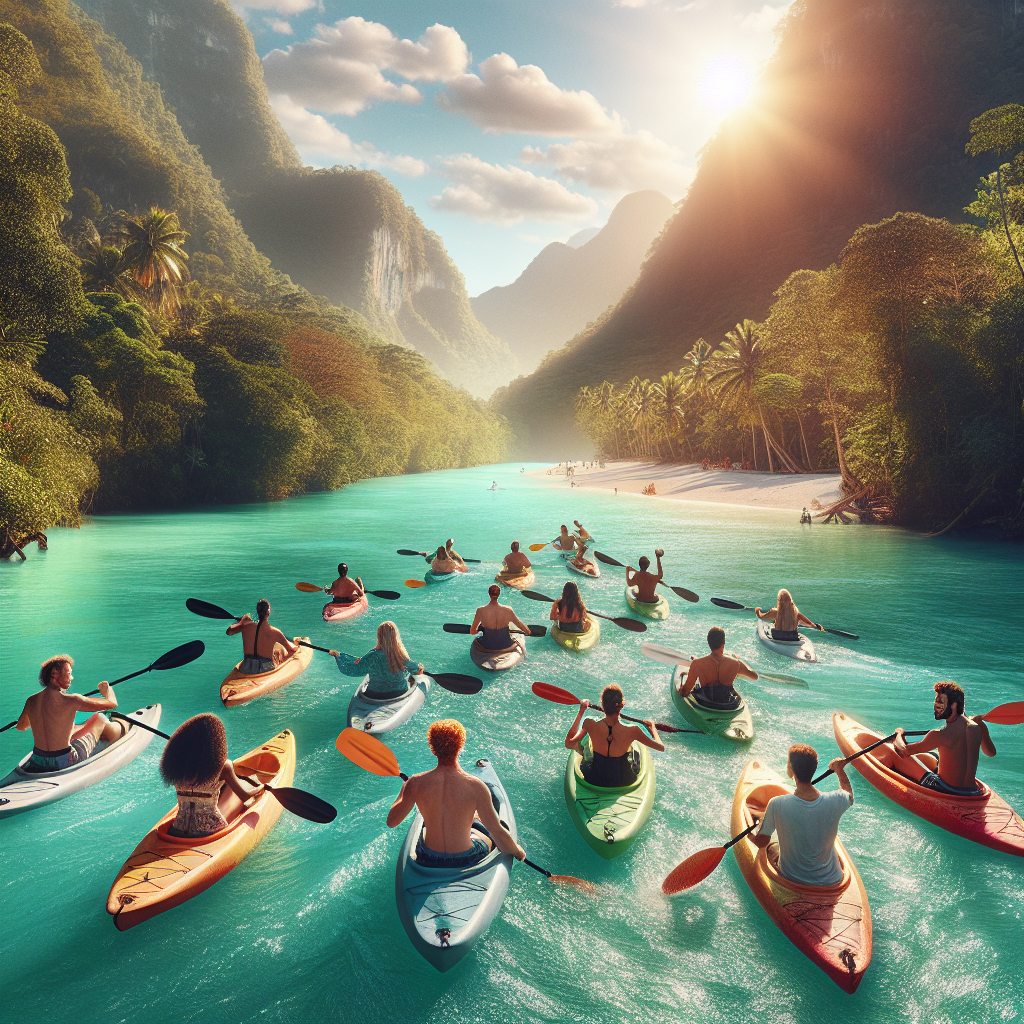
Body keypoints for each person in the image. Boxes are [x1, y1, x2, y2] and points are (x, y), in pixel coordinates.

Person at [387, 719, 526, 867]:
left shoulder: (415, 783)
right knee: (485, 835)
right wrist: (518, 852)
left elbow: (392, 822)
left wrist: (405, 789)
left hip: (428, 857)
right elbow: (497, 832)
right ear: (460, 746)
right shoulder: (476, 786)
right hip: (466, 858)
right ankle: (474, 819)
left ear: (432, 749)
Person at [751, 744, 854, 886]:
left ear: (790, 769)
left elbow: (761, 843)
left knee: (772, 841)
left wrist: (750, 835)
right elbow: (848, 794)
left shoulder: (777, 804)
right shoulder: (835, 800)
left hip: (792, 878)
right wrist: (839, 770)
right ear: (814, 768)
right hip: (832, 879)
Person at [159, 713, 264, 838]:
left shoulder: (177, 766)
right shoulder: (224, 766)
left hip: (177, 830)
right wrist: (260, 788)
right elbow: (245, 796)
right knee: (240, 790)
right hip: (211, 831)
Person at [16, 655, 125, 771]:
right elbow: (112, 704)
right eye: (68, 673)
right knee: (100, 718)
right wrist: (108, 691)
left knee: (75, 727)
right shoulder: (72, 700)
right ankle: (121, 733)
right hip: (65, 762)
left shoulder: (31, 701)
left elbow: (21, 726)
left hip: (38, 760)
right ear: (54, 673)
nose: (71, 678)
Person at [891, 681, 995, 795]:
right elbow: (990, 753)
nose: (936, 706)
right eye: (936, 701)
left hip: (946, 789)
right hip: (971, 790)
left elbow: (903, 751)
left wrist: (899, 734)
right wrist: (981, 725)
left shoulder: (939, 735)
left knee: (892, 752)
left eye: (940, 702)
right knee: (929, 757)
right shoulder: (976, 727)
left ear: (953, 705)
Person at [564, 684, 664, 787]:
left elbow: (568, 743)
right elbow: (661, 747)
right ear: (622, 704)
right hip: (622, 781)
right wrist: (653, 727)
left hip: (594, 778)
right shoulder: (633, 730)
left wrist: (581, 711)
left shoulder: (589, 723)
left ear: (602, 704)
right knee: (636, 755)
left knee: (586, 748)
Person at [330, 621, 424, 699]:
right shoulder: (400, 656)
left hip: (375, 694)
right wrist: (420, 667)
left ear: (379, 636)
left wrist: (338, 656)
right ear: (395, 637)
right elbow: (416, 670)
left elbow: (353, 670)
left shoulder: (372, 655)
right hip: (399, 693)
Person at [677, 627, 759, 707]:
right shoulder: (736, 664)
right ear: (724, 642)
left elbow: (685, 692)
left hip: (706, 702)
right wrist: (739, 662)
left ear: (708, 642)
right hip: (727, 704)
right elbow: (755, 677)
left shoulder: (697, 664)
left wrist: (680, 689)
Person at [226, 599, 299, 674]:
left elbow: (229, 632)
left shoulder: (245, 627)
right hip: (266, 668)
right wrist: (297, 646)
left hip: (246, 667)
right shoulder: (275, 632)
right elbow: (291, 650)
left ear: (257, 611)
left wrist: (240, 622)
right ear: (268, 612)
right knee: (280, 654)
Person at [471, 585, 531, 651]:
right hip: (505, 644)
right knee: (515, 638)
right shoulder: (508, 610)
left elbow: (472, 631)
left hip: (488, 645)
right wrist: (527, 631)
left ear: (489, 594)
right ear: (499, 594)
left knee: (479, 638)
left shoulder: (480, 610)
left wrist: (479, 630)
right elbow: (520, 625)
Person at [755, 588, 820, 641]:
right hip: (792, 637)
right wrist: (817, 627)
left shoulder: (775, 612)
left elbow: (762, 617)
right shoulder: (796, 613)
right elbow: (810, 624)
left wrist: (757, 611)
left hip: (777, 636)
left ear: (779, 600)